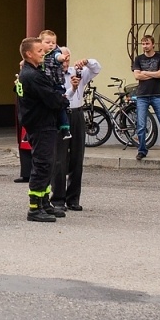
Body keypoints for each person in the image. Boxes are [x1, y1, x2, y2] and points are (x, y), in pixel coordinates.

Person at [17, 37, 70, 222]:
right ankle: (34, 208)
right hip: (40, 124)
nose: (44, 53)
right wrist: (63, 101)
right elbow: (52, 99)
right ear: (29, 54)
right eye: (39, 51)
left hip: (43, 122)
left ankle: (44, 202)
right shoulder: (32, 76)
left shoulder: (32, 72)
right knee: (42, 164)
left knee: (47, 164)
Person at [53, 46, 101, 212]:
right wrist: (72, 88)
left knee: (77, 157)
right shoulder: (53, 75)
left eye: (67, 58)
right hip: (61, 114)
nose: (65, 62)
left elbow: (97, 68)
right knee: (59, 159)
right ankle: (58, 199)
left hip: (77, 113)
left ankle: (73, 198)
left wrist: (87, 61)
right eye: (62, 59)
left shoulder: (77, 72)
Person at [131, 34, 160, 159]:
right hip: (142, 96)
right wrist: (154, 74)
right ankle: (142, 151)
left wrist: (145, 72)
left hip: (157, 95)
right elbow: (137, 76)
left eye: (147, 43)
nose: (145, 46)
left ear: (153, 44)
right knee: (141, 125)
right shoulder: (138, 59)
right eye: (143, 44)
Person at [38, 30, 71, 195]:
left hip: (56, 86)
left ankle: (65, 128)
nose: (51, 45)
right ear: (40, 43)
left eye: (53, 42)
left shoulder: (55, 53)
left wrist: (62, 58)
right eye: (48, 42)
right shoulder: (39, 56)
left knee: (61, 108)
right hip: (46, 86)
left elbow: (58, 57)